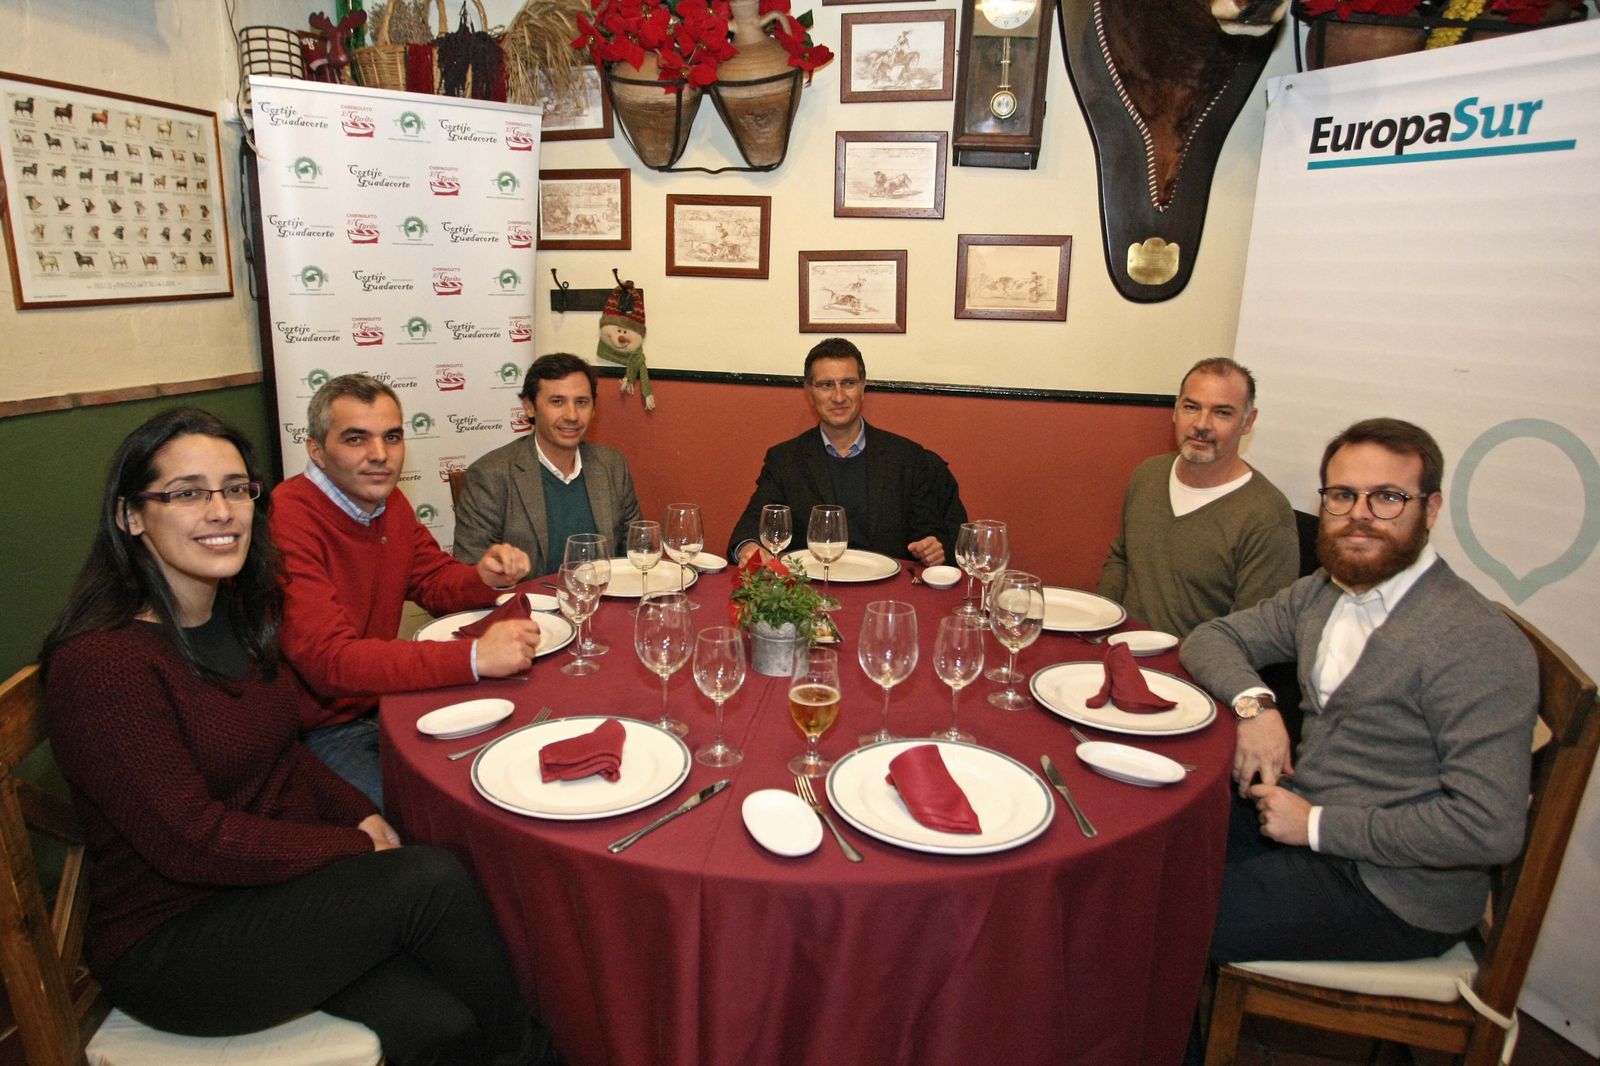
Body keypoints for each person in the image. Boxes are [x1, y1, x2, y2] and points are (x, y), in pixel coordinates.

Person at [41, 407, 550, 1064]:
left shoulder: (236, 616)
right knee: (429, 877)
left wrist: (361, 813)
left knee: (441, 1021)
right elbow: (192, 844)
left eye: (235, 488)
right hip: (175, 943)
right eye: (188, 492)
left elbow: (285, 755)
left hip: (266, 893)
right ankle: (535, 1054)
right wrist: (347, 845)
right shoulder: (104, 665)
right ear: (131, 516)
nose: (221, 510)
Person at [1181, 417, 1536, 964]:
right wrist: (1257, 707)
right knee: (1151, 857)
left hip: (1395, 891)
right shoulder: (1325, 592)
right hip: (1299, 818)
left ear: (1431, 510)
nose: (1360, 516)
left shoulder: (1476, 643)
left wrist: (1319, 826)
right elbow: (1213, 637)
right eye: (1343, 496)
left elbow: (1488, 828)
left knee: (1160, 916)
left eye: (1388, 497)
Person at [272, 374, 541, 807]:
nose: (380, 455)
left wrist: (483, 577)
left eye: (392, 437)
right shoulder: (287, 518)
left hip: (384, 702)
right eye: (356, 439)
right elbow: (330, 662)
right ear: (317, 451)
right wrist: (474, 657)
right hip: (313, 731)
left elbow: (433, 582)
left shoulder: (389, 502)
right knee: (443, 806)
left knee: (509, 762)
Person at [1099, 356, 1298, 637]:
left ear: (1247, 422)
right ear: (1175, 410)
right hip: (1120, 651)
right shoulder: (1148, 474)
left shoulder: (1267, 516)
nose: (1201, 424)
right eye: (1191, 407)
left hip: (1193, 674)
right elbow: (1121, 558)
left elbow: (1256, 634)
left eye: (1222, 413)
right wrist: (1101, 626)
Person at [728, 338, 967, 567]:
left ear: (864, 387)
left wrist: (934, 547)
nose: (839, 396)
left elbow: (932, 534)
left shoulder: (907, 457)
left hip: (885, 595)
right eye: (826, 385)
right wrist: (749, 547)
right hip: (810, 592)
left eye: (849, 383)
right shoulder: (785, 460)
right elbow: (749, 528)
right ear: (809, 392)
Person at [454, 352, 640, 576]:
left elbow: (635, 552)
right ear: (530, 407)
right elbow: (471, 572)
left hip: (601, 602)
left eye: (581, 402)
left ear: (593, 408)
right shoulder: (490, 475)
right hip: (524, 608)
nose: (572, 415)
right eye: (557, 402)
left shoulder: (612, 465)